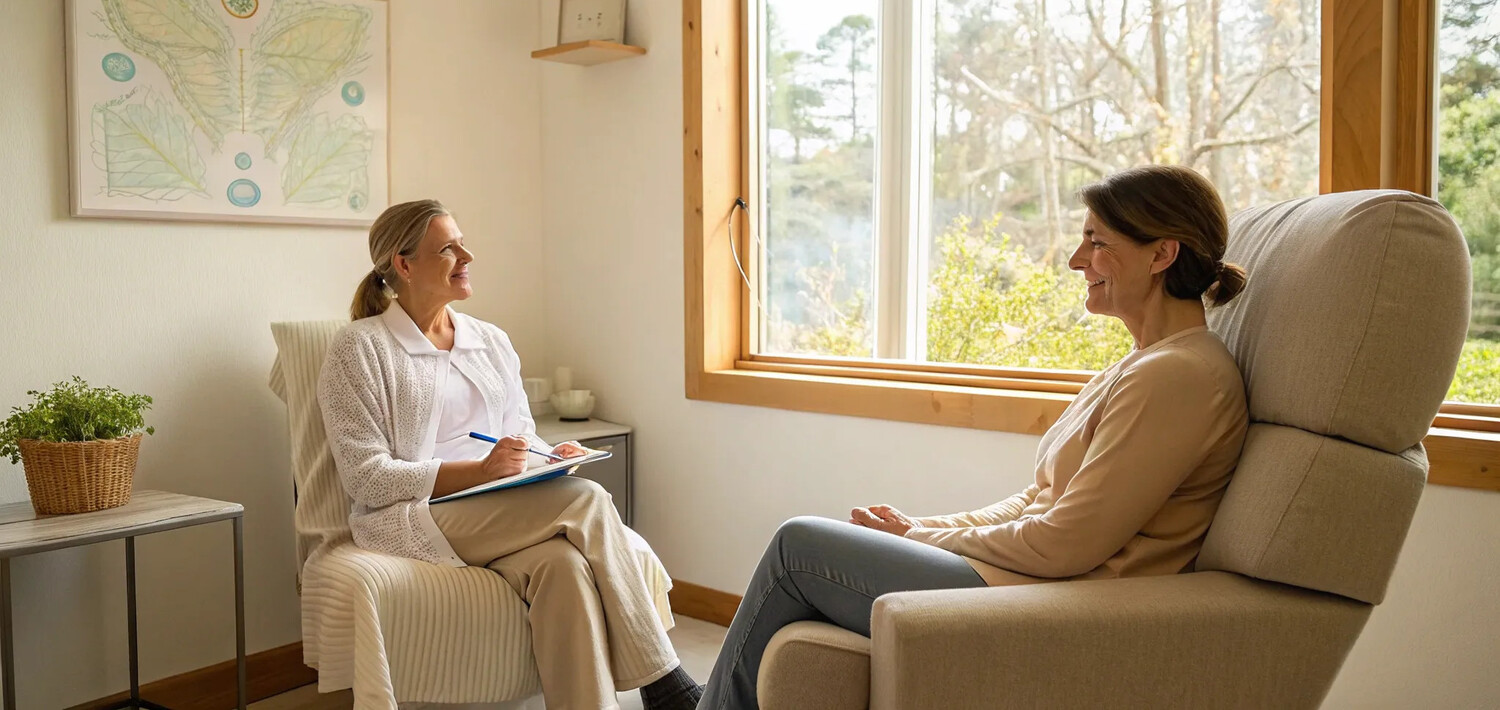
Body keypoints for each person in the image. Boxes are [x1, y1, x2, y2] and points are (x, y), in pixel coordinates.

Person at [698, 165, 1252, 710]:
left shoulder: (1179, 377)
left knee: (801, 546)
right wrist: (922, 528)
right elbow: (1039, 499)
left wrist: (926, 540)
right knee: (813, 548)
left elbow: (1066, 541)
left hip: (1061, 599)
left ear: (1161, 254)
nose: (1076, 260)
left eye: (1097, 242)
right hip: (1026, 578)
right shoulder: (1141, 364)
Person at [318, 199, 702, 710]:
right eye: (448, 248)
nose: (467, 254)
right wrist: (478, 472)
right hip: (415, 517)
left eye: (462, 241)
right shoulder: (359, 348)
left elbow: (519, 435)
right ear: (404, 265)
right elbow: (368, 480)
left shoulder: (490, 341)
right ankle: (664, 680)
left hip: (500, 505)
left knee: (563, 569)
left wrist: (550, 457)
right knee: (584, 501)